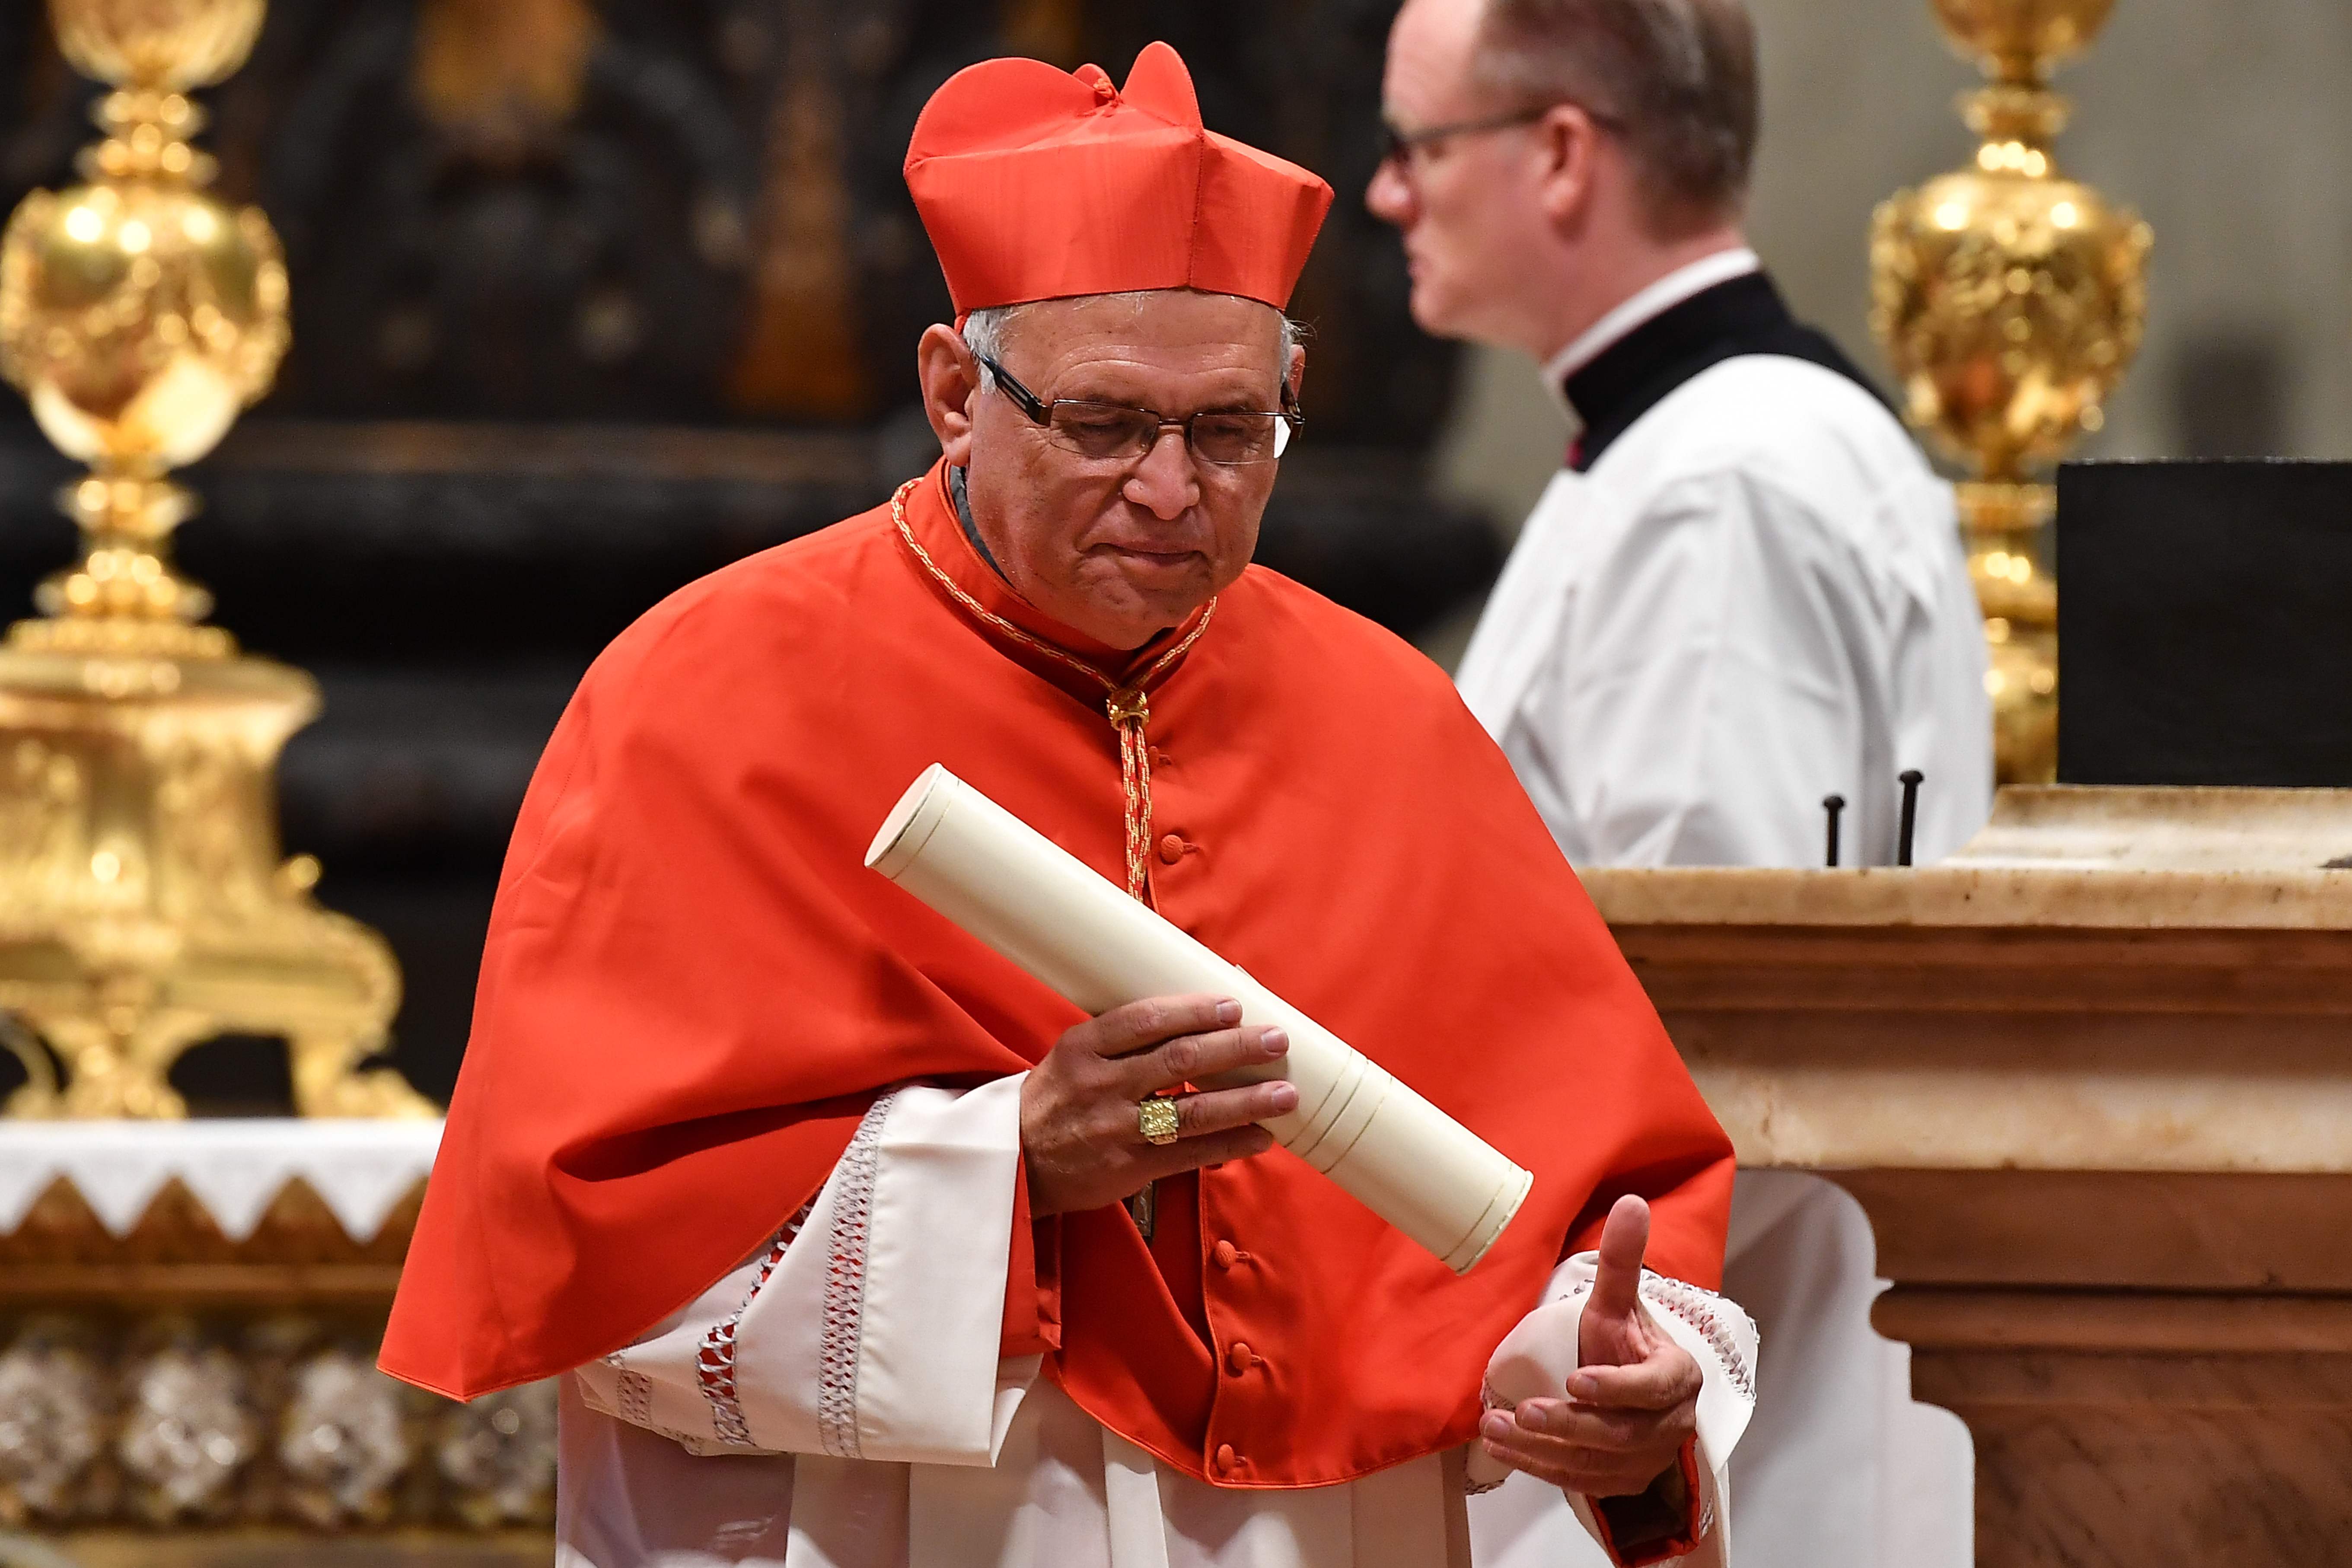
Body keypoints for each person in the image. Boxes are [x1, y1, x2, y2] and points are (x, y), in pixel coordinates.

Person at [380, 43, 1756, 1568]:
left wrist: (1608, 1384)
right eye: (1104, 424)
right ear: (954, 394)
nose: (1172, 489)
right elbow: (582, 1275)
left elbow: (1593, 1212)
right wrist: (1013, 1164)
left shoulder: (1388, 717)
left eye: (1231, 431)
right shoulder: (701, 695)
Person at [1367, 3, 1990, 1566]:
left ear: (1561, 154)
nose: (1387, 193)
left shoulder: (1721, 483)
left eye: (1414, 146)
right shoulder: (1703, 448)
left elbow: (1700, 1021)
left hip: (1690, 1391)